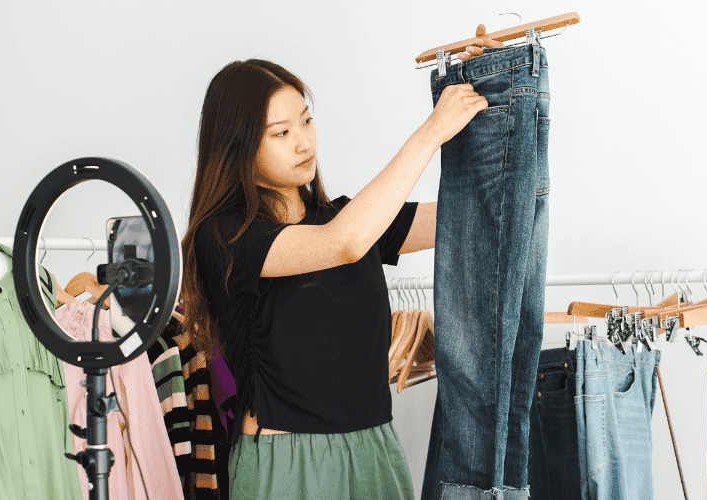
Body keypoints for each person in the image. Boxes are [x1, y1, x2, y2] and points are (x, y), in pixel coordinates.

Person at [178, 27, 502, 500]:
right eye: (281, 133)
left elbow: (482, 215)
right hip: (288, 463)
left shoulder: (348, 218)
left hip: (375, 450)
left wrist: (491, 88)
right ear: (238, 146)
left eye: (306, 122)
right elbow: (342, 244)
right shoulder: (226, 235)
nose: (304, 143)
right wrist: (431, 131)